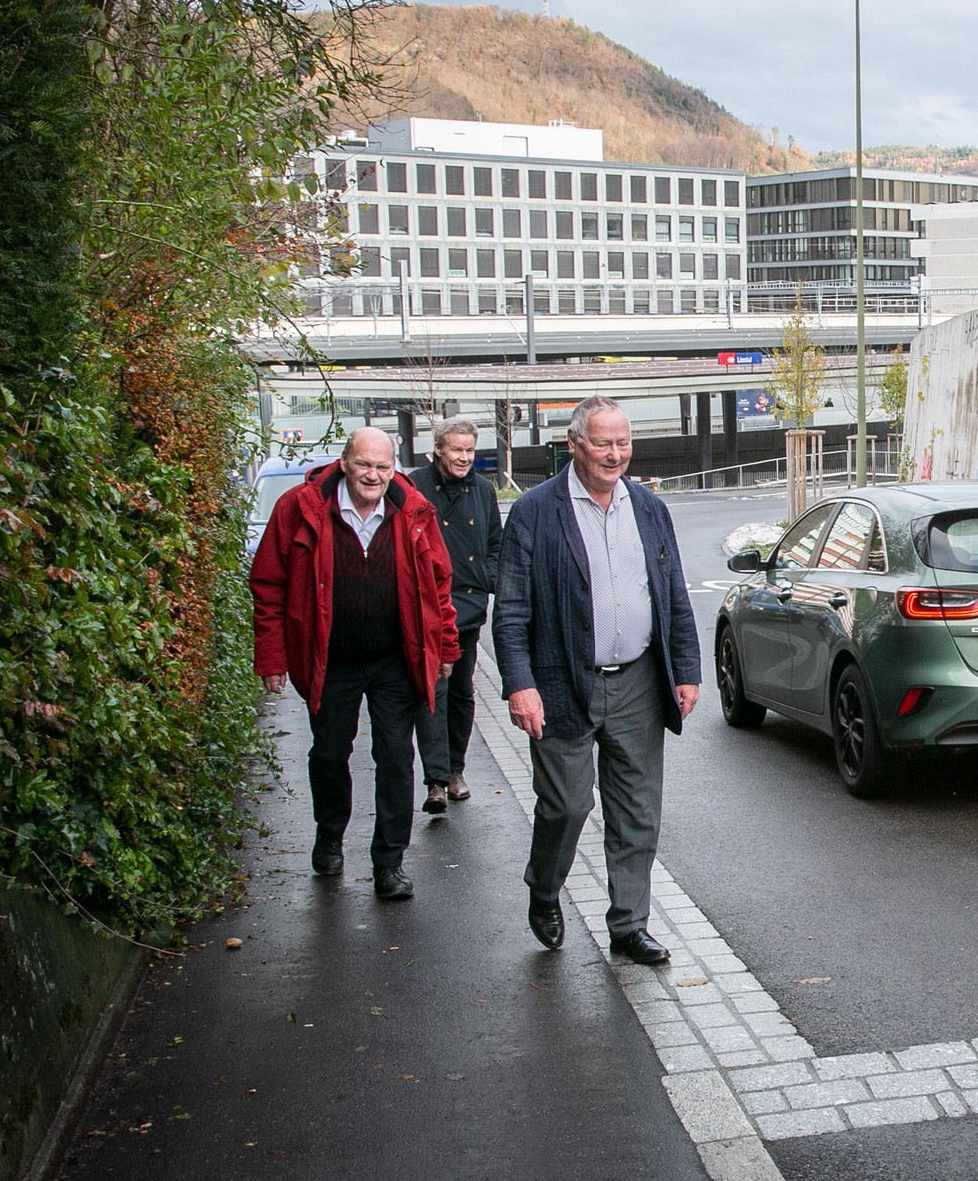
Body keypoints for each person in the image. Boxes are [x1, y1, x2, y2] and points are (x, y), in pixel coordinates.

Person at [493, 396, 701, 961]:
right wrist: (520, 683)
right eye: (604, 443)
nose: (616, 455)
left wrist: (685, 670)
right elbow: (510, 609)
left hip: (637, 679)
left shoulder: (650, 509)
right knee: (566, 804)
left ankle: (629, 924)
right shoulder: (536, 511)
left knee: (637, 808)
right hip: (561, 681)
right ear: (574, 444)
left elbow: (672, 598)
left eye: (624, 443)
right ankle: (544, 886)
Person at [250, 428, 460, 901]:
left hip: (394, 657)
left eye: (383, 467)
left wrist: (446, 648)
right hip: (329, 658)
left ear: (395, 468)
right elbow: (268, 586)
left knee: (395, 758)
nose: (374, 475)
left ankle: (389, 863)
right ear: (344, 462)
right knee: (328, 755)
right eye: (365, 464)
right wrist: (272, 657)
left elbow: (438, 585)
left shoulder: (414, 511)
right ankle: (329, 835)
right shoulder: (299, 509)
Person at [409, 417, 502, 812]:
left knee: (462, 693)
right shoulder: (414, 487)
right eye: (456, 450)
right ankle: (435, 780)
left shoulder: (483, 490)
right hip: (426, 610)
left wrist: (484, 579)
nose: (464, 457)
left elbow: (497, 544)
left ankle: (456, 769)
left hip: (467, 609)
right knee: (433, 692)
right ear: (438, 450)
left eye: (469, 451)